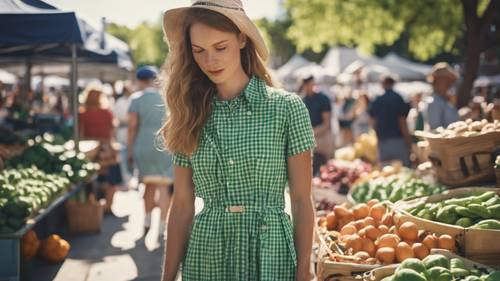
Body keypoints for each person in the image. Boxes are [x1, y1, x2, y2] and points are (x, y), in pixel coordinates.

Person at [160, 1, 316, 280]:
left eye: (220, 47)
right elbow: (182, 204)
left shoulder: (286, 108)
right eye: (199, 51)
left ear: (242, 39)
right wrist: (167, 277)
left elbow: (302, 199)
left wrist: (304, 271)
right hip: (207, 256)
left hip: (271, 256)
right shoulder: (188, 114)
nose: (210, 61)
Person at [127, 66, 173, 238]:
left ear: (140, 80)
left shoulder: (136, 99)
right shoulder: (166, 97)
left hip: (143, 144)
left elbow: (132, 127)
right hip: (164, 144)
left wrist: (130, 150)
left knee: (149, 185)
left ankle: (146, 221)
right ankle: (162, 225)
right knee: (164, 186)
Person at [79, 85, 122, 213]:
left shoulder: (82, 113)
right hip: (105, 147)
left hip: (89, 148)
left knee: (90, 179)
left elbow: (79, 133)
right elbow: (112, 131)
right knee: (111, 179)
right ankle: (108, 205)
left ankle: (93, 205)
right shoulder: (106, 113)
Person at [369, 75, 412, 167]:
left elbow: (373, 122)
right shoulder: (398, 98)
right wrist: (408, 141)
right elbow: (402, 122)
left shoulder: (377, 100)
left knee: (386, 174)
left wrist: (378, 137)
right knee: (403, 171)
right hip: (398, 141)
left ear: (382, 84)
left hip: (382, 141)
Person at [300, 75, 333, 174]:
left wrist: (312, 133)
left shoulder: (323, 99)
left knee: (322, 169)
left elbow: (326, 123)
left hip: (321, 138)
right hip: (308, 138)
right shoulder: (302, 100)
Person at [425, 62, 460, 130]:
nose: (444, 82)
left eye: (446, 79)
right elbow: (435, 130)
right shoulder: (434, 102)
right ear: (435, 81)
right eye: (441, 79)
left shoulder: (448, 100)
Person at [112, 80, 134, 186]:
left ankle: (132, 178)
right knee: (124, 155)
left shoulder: (133, 100)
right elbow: (116, 118)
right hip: (123, 131)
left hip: (131, 131)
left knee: (132, 155)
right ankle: (126, 179)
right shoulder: (121, 101)